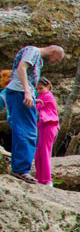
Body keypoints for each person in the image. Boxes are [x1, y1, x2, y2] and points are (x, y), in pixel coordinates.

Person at [5, 45, 64, 184]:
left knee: (25, 129)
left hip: (22, 93)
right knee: (27, 131)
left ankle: (19, 168)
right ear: (53, 51)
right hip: (19, 92)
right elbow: (21, 68)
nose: (55, 62)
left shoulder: (38, 59)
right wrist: (27, 92)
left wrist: (32, 95)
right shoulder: (33, 51)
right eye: (57, 59)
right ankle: (20, 170)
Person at [34, 77, 59, 186]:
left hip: (50, 126)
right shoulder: (41, 96)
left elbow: (35, 104)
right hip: (44, 126)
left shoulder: (48, 96)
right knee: (39, 153)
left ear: (48, 87)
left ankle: (47, 179)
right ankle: (40, 178)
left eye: (41, 88)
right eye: (37, 89)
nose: (39, 91)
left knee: (45, 152)